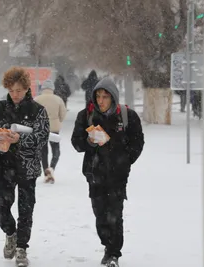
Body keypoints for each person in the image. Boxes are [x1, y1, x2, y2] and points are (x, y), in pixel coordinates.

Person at [71, 77, 144, 267]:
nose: (101, 100)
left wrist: (125, 161)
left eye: (105, 96)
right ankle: (106, 243)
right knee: (100, 214)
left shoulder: (127, 116)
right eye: (98, 96)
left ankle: (113, 254)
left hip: (117, 175)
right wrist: (88, 142)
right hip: (94, 174)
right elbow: (76, 143)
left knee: (115, 213)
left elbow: (137, 143)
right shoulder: (85, 116)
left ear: (113, 97)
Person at [0, 66, 49, 267]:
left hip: (27, 166)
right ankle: (10, 232)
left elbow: (42, 137)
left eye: (19, 90)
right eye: (11, 90)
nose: (15, 94)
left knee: (26, 209)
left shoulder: (38, 110)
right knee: (1, 206)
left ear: (27, 88)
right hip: (4, 165)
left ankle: (21, 248)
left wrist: (20, 139)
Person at [34, 79, 67, 183]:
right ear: (52, 88)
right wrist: (58, 121)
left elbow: (32, 115)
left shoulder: (37, 99)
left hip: (41, 129)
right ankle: (51, 168)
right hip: (54, 129)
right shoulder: (58, 99)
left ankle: (46, 172)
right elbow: (63, 114)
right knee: (56, 150)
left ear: (42, 88)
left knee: (43, 152)